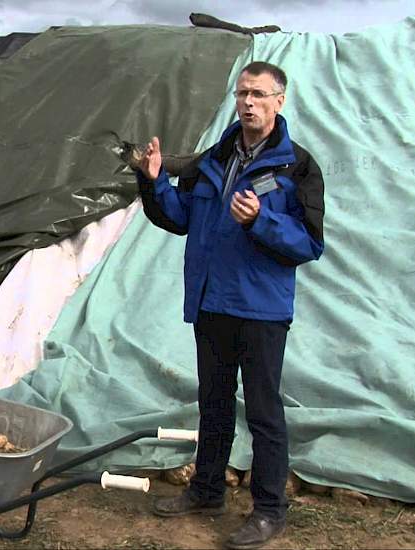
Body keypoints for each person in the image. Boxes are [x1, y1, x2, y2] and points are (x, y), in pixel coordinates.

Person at [136, 61, 325, 549]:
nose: (248, 102)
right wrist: (155, 181)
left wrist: (262, 219)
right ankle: (206, 492)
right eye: (242, 93)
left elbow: (308, 244)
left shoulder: (296, 167)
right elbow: (177, 217)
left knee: (263, 413)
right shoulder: (212, 160)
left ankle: (268, 511)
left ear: (279, 102)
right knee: (214, 405)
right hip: (212, 303)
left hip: (261, 310)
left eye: (259, 94)